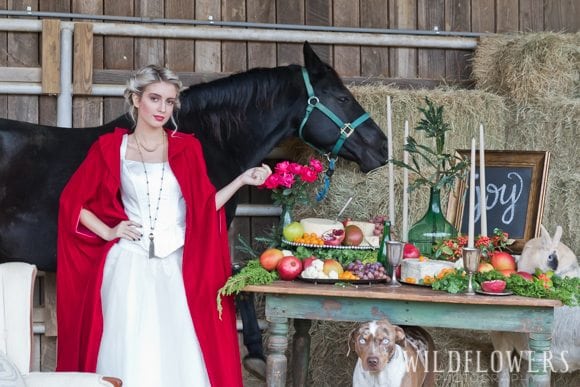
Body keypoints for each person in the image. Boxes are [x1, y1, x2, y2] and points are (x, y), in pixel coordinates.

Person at [56, 64, 272, 387]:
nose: (162, 108)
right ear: (135, 99)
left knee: (179, 353)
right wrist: (109, 231)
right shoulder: (111, 149)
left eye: (169, 102)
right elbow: (72, 202)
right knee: (131, 349)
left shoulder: (187, 148)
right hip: (129, 266)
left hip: (176, 265)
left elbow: (202, 208)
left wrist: (242, 179)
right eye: (155, 99)